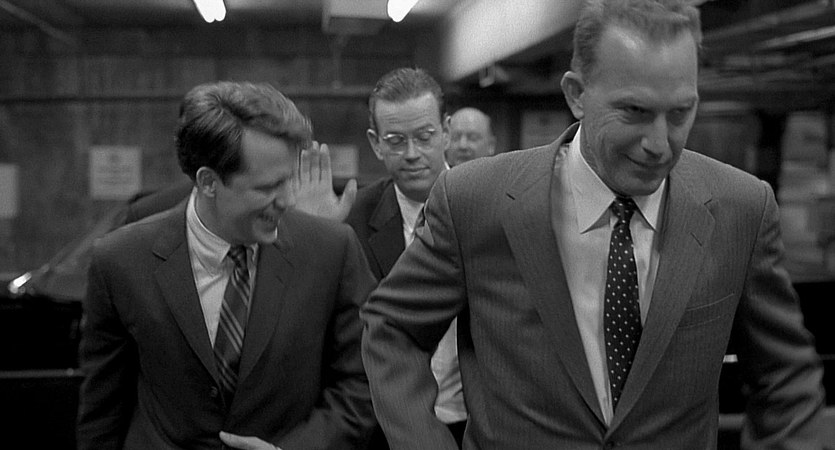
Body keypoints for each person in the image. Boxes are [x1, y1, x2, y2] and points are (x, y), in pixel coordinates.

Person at [360, 1, 826, 449]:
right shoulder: (476, 202)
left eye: (680, 113)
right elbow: (392, 329)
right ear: (576, 94)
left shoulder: (741, 210)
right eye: (635, 112)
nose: (660, 144)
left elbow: (785, 377)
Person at [76, 81, 378, 450]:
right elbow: (103, 412)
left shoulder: (331, 250)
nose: (288, 200)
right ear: (208, 182)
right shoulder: (120, 260)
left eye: (288, 180)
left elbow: (362, 386)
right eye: (266, 188)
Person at [349, 67, 467, 447]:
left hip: (477, 424)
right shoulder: (353, 221)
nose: (412, 154)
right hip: (386, 430)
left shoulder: (486, 204)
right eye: (396, 141)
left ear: (446, 131)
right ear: (375, 143)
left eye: (425, 137)